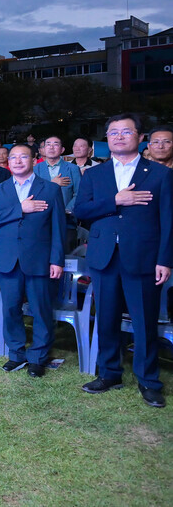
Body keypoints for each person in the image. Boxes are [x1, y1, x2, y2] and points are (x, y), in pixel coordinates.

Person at [73, 113, 172, 408]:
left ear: (139, 137)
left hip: (143, 256)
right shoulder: (94, 175)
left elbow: (168, 220)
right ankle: (109, 373)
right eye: (113, 133)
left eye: (126, 132)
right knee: (105, 317)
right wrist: (116, 200)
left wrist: (165, 259)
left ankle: (148, 380)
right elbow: (81, 211)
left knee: (143, 321)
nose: (118, 137)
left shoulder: (159, 174)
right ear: (106, 139)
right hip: (104, 257)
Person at [0, 144, 66, 377]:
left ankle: (38, 357)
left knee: (41, 309)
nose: (18, 161)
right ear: (7, 161)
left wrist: (56, 260)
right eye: (13, 157)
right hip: (8, 259)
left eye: (23, 157)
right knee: (10, 308)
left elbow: (59, 229)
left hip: (39, 259)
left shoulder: (50, 189)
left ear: (34, 159)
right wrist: (21, 208)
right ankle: (16, 354)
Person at [34, 136, 81, 215]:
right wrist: (52, 184)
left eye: (55, 144)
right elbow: (34, 193)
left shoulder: (73, 169)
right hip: (42, 215)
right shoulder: (36, 169)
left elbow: (79, 193)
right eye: (48, 145)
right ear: (44, 149)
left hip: (67, 215)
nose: (51, 147)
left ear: (62, 150)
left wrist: (68, 210)